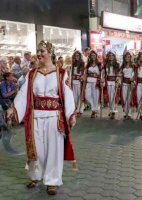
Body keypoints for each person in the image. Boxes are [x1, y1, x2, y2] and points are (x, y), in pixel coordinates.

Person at [6, 40, 76, 195]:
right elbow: (24, 93)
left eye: (42, 51)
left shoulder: (61, 73)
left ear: (50, 52)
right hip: (36, 117)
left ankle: (52, 181)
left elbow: (68, 94)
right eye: (38, 51)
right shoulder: (32, 74)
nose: (39, 54)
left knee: (53, 149)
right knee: (36, 149)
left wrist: (71, 114)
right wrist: (13, 108)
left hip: (53, 117)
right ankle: (35, 175)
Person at [82, 50, 102, 118]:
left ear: (96, 56)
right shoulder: (88, 64)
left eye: (94, 55)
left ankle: (94, 111)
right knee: (87, 96)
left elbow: (101, 73)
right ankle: (94, 108)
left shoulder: (99, 64)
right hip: (89, 81)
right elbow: (85, 73)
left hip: (96, 82)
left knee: (95, 97)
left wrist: (101, 80)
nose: (93, 56)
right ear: (90, 56)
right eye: (91, 55)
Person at [103, 50, 121, 119]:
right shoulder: (105, 64)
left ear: (114, 56)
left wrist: (118, 80)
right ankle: (111, 110)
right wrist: (103, 79)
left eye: (112, 55)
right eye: (110, 55)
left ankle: (112, 111)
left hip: (114, 82)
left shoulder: (117, 64)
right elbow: (103, 73)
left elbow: (119, 74)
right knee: (109, 97)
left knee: (113, 97)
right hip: (107, 82)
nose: (111, 57)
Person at [121, 51, 136, 120]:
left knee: (129, 99)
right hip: (124, 84)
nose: (127, 58)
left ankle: (129, 114)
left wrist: (133, 80)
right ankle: (126, 112)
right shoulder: (123, 65)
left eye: (129, 57)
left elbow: (135, 74)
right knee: (124, 98)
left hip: (130, 84)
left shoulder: (133, 65)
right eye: (126, 57)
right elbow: (120, 73)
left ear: (131, 58)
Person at [71, 51, 85, 116]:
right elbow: (71, 73)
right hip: (73, 81)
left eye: (78, 55)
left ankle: (80, 110)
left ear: (79, 56)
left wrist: (82, 77)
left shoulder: (82, 63)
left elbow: (83, 72)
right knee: (74, 96)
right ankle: (75, 109)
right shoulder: (73, 63)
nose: (76, 57)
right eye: (75, 55)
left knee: (80, 96)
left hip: (79, 81)